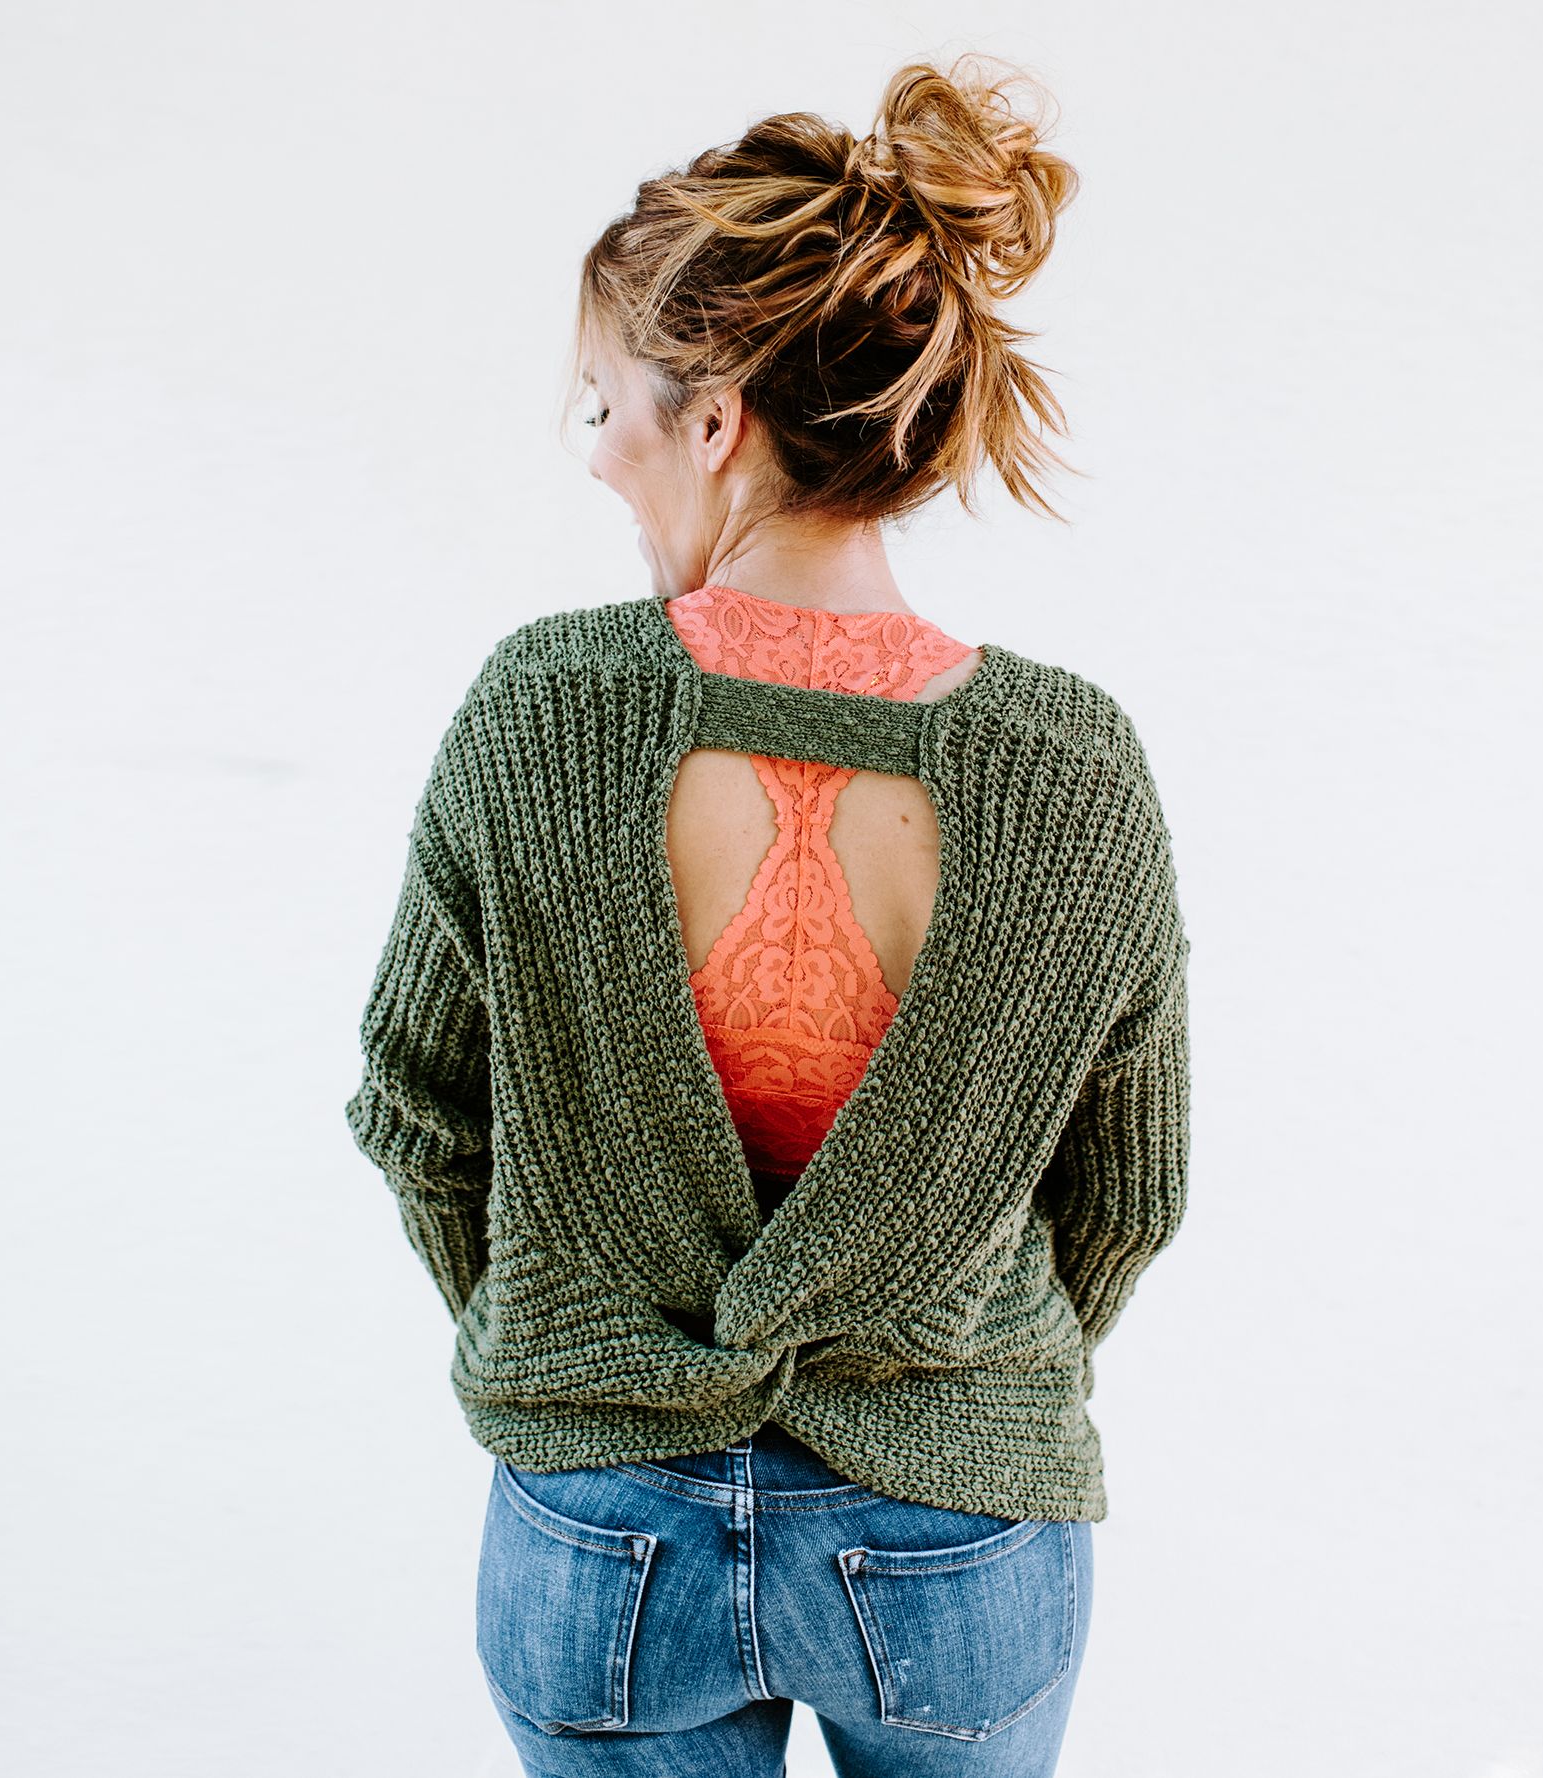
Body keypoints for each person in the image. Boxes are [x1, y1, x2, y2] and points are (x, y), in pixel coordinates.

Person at [344, 52, 1193, 1778]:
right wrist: (948, 1375)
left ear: (717, 418)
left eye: (606, 405)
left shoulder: (541, 712)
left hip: (604, 1536)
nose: (598, 456)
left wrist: (573, 1353)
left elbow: (418, 1112)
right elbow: (1130, 1190)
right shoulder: (1075, 765)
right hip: (957, 1535)